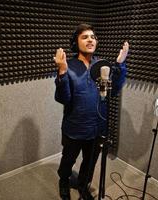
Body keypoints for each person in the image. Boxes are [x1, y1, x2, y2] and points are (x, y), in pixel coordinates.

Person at [54, 23, 129, 200]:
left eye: (93, 37)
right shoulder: (69, 65)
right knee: (68, 160)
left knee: (90, 162)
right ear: (76, 42)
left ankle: (82, 185)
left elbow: (113, 91)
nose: (90, 40)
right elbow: (63, 98)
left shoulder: (102, 65)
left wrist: (120, 65)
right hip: (75, 127)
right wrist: (62, 71)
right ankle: (64, 181)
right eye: (85, 37)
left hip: (97, 127)